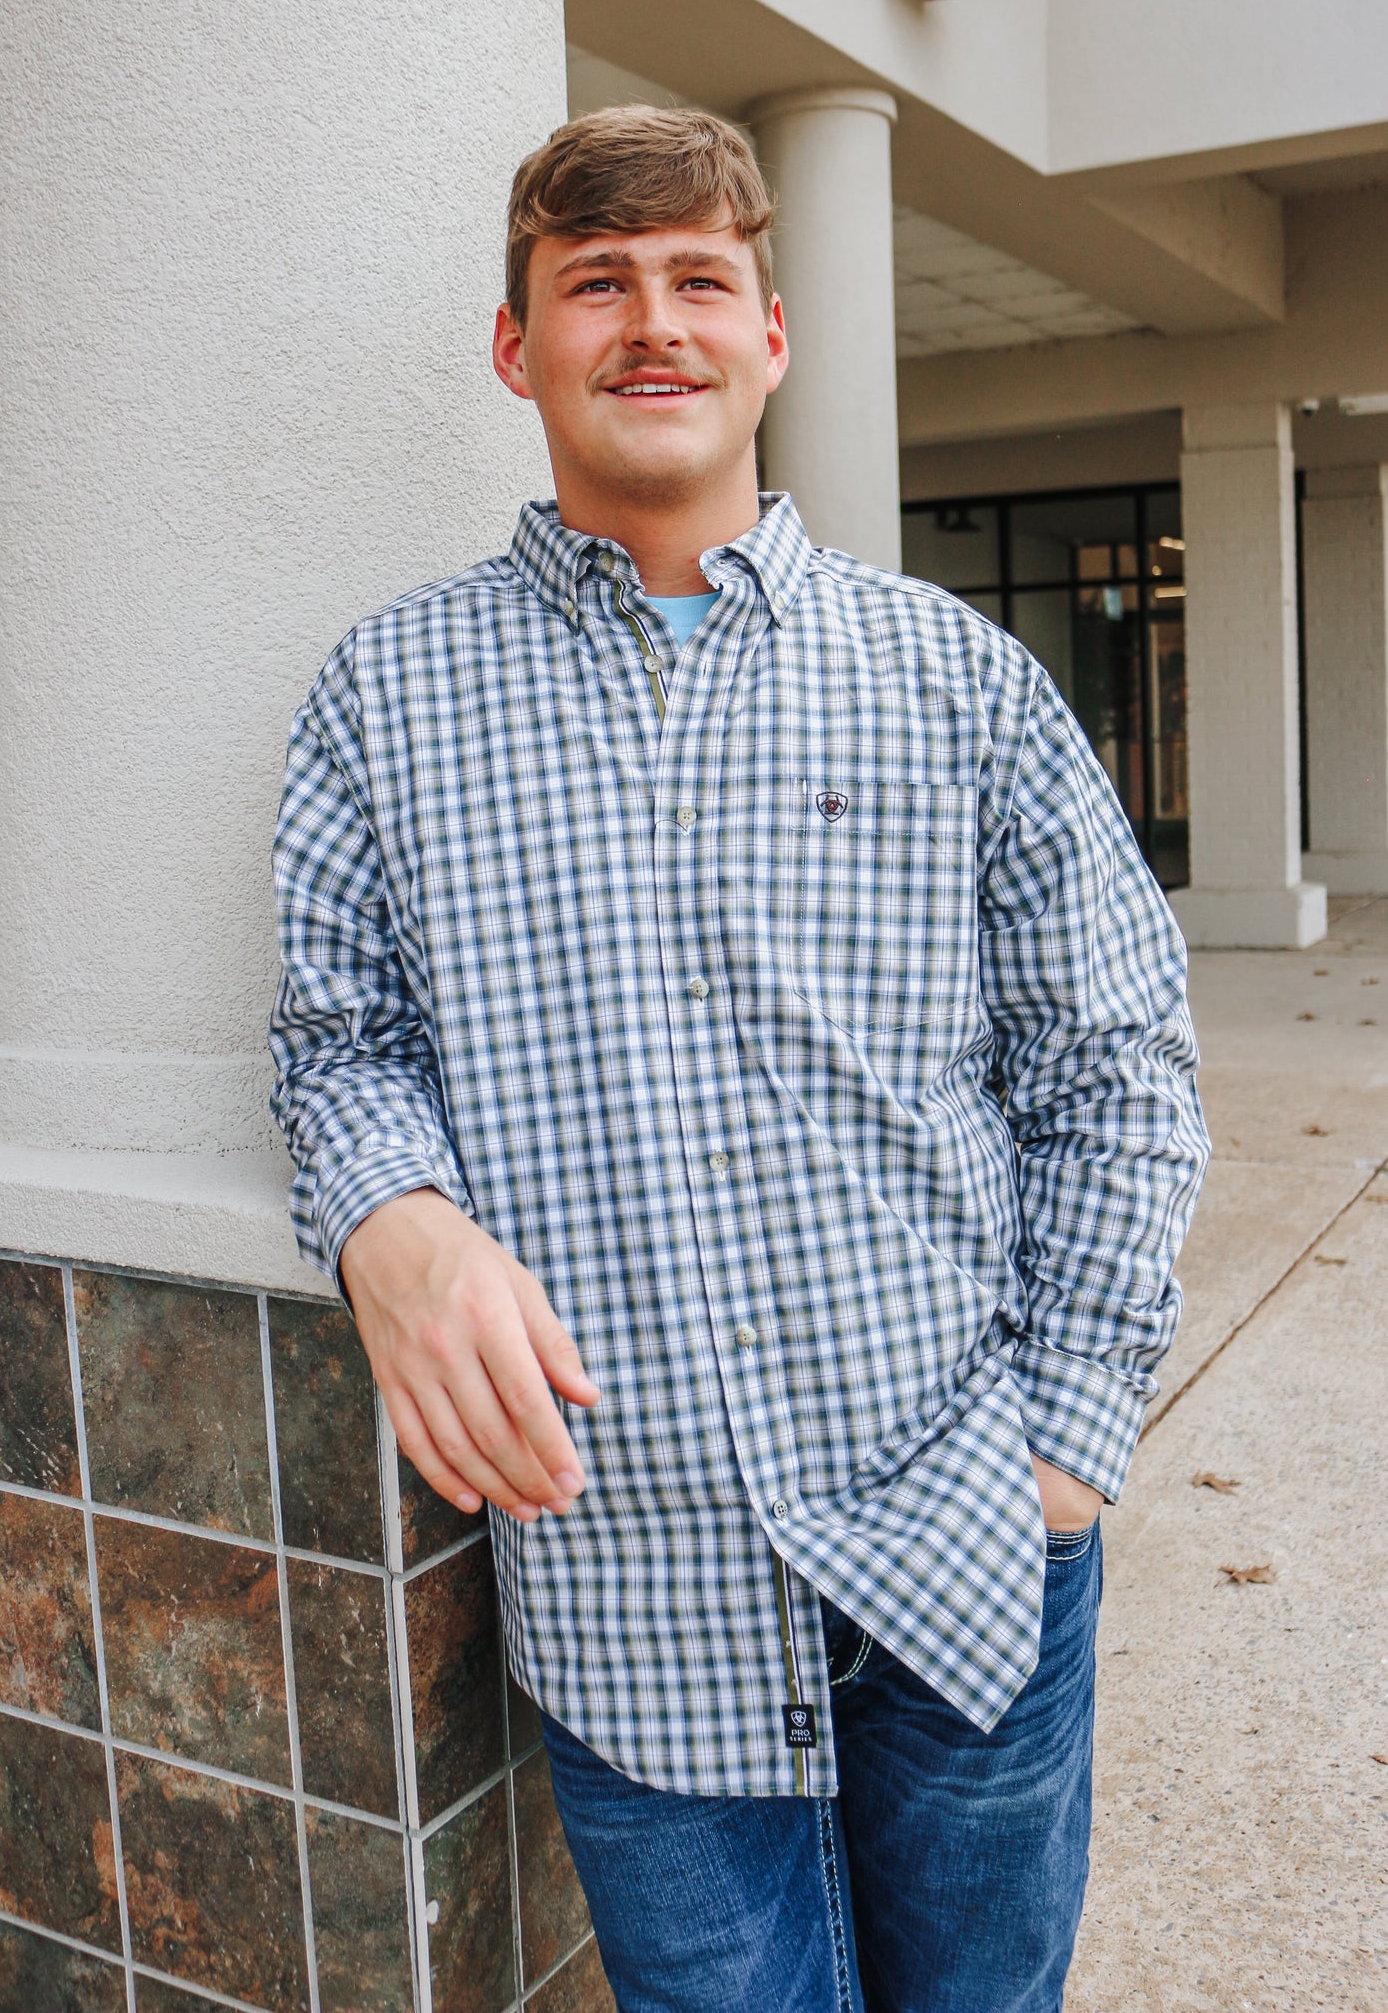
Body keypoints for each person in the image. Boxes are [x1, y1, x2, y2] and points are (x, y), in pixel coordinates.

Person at [270, 104, 1210, 2012]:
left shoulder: (955, 678)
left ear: (770, 335)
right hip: (637, 1596)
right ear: (516, 346)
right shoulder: (386, 695)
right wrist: (397, 1221)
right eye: (594, 283)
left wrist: (1064, 1445)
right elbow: (333, 1041)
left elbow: (1115, 1063)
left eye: (700, 280)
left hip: (970, 1542)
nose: (653, 324)